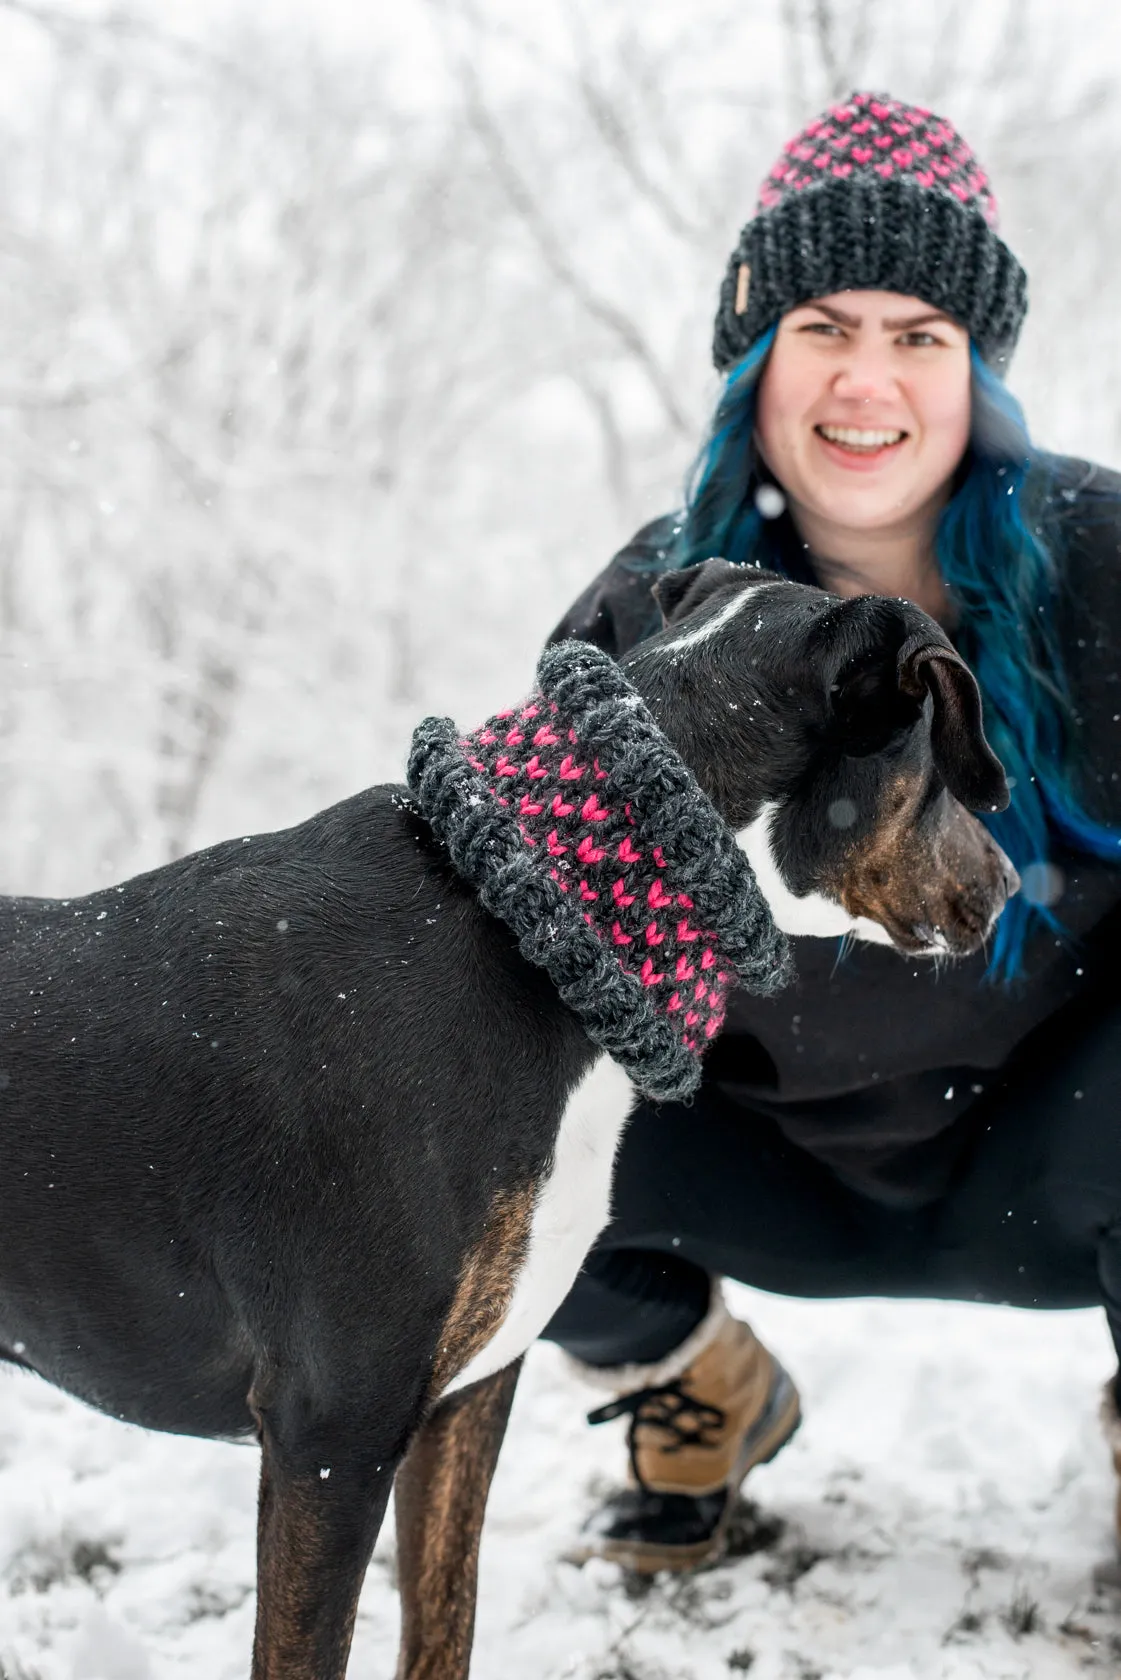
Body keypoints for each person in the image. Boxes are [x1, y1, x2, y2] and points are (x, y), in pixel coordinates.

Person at [543, 90, 1121, 1576]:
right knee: (480, 1093)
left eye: (921, 333)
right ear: (755, 358)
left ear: (977, 369)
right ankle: (699, 1388)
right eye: (825, 325)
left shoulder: (1105, 566)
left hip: (1053, 1152)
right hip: (741, 1155)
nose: (870, 379)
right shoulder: (641, 620)